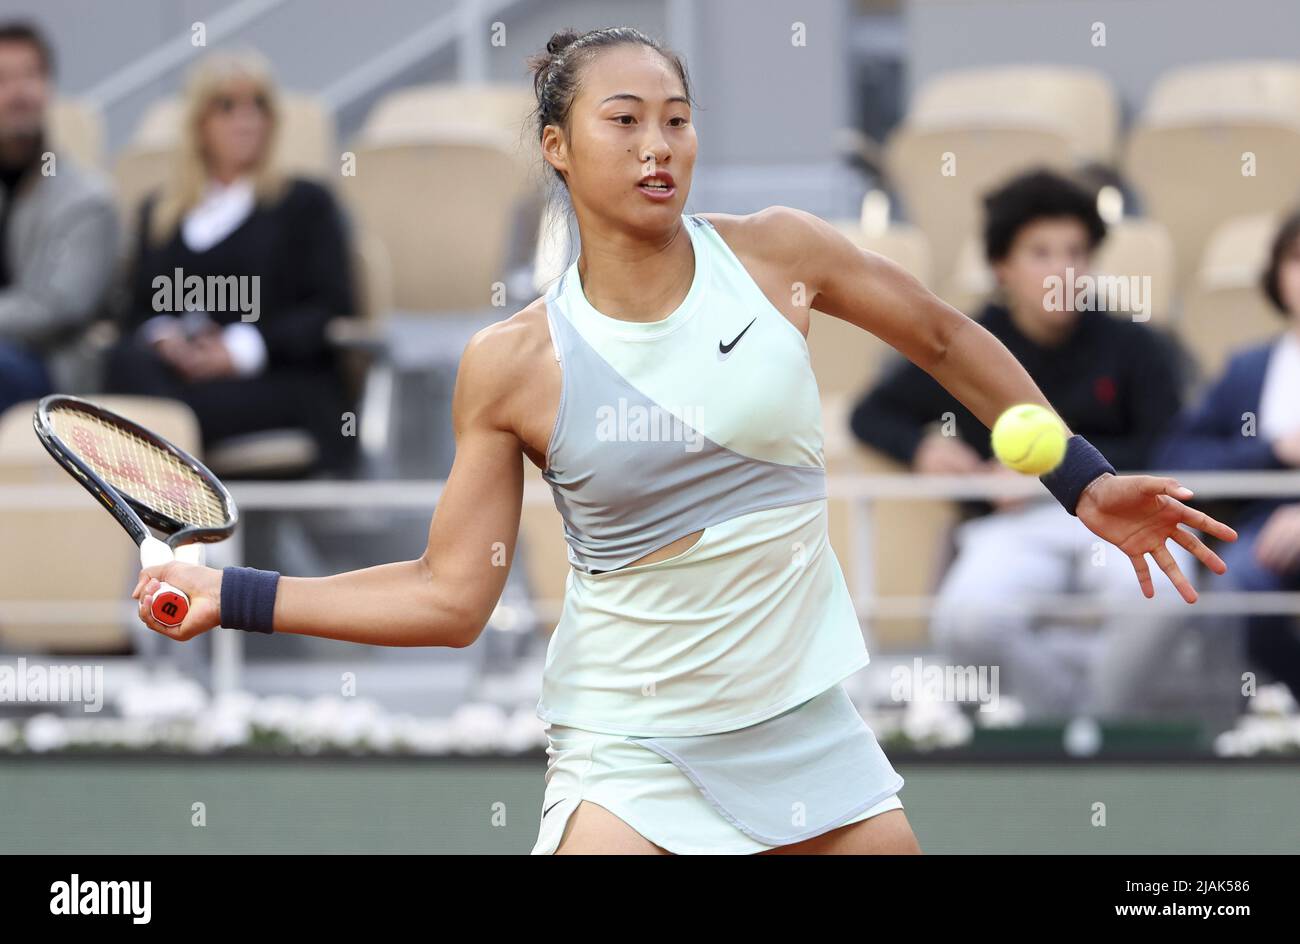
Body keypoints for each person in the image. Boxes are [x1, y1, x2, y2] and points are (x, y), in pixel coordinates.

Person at [129, 27, 1236, 855]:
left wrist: (1078, 480)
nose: (660, 144)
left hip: (802, 725)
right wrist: (235, 593)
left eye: (677, 116)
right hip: (628, 743)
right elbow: (449, 594)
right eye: (624, 120)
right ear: (558, 147)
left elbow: (948, 337)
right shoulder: (514, 362)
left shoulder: (781, 255)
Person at [850, 169, 1197, 721]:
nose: (1063, 269)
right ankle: (1065, 723)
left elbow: (1167, 445)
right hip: (1007, 527)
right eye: (1039, 252)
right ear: (1001, 267)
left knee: (1166, 591)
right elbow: (870, 413)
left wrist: (1054, 470)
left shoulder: (1136, 345)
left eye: (1076, 252)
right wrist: (924, 450)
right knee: (968, 619)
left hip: (1121, 515)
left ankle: (1098, 726)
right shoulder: (965, 342)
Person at [105, 50, 356, 474]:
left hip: (273, 377)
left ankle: (191, 519)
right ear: (199, 124)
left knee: (168, 414)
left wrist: (238, 350)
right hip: (178, 376)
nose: (246, 119)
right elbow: (136, 312)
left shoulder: (305, 204)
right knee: (120, 364)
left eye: (258, 105)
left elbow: (330, 308)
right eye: (227, 106)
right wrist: (166, 338)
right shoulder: (162, 213)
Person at [1154, 211, 1300, 701]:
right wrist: (1272, 452)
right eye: (1298, 260)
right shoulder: (1249, 369)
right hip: (1258, 538)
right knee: (1232, 584)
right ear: (1276, 276)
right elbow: (1180, 458)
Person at [0, 21, 118, 412]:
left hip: (48, 371)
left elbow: (57, 307)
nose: (18, 92)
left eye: (30, 75)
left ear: (49, 86)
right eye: (4, 78)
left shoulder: (87, 199)